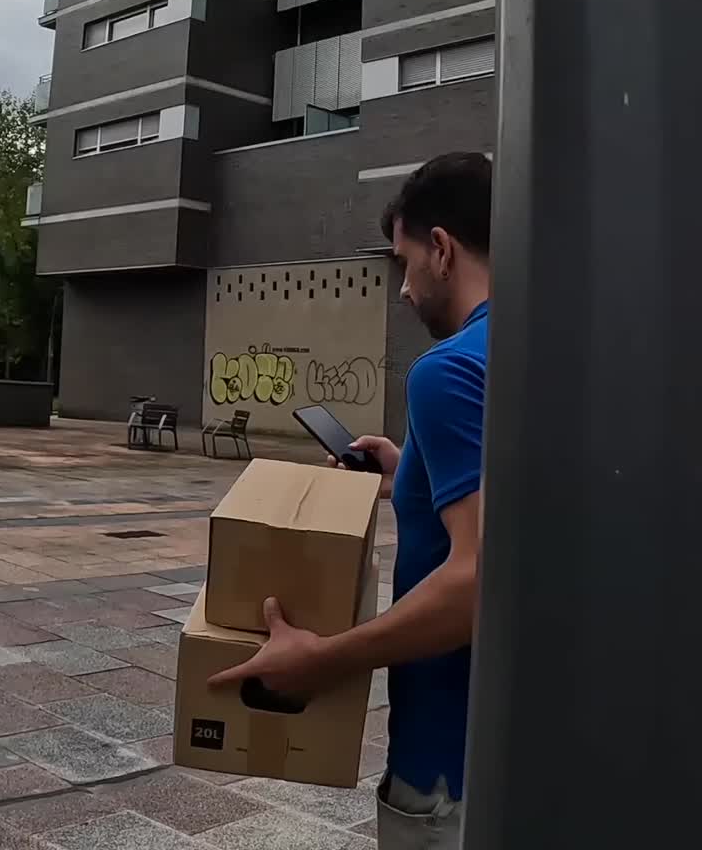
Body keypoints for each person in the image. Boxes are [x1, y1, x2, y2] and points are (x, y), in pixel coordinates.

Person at [209, 152, 492, 849]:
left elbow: (480, 578)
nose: (402, 289)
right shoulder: (554, 352)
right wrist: (414, 478)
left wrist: (322, 659)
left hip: (446, 770)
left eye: (404, 263)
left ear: (442, 249)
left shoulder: (449, 371)